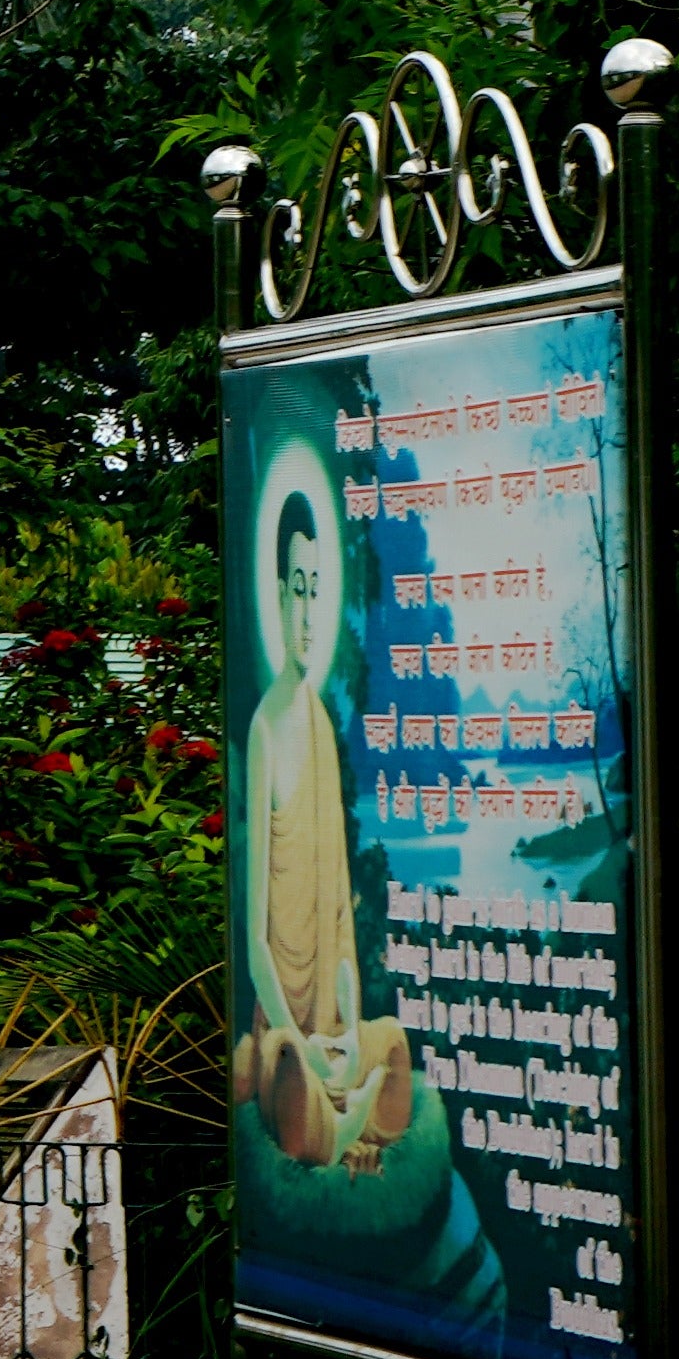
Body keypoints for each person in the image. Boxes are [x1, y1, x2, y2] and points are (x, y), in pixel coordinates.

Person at [227, 480, 416, 1172]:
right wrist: (301, 1040)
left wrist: (345, 1029)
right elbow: (255, 942)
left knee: (389, 1043)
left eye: (317, 590)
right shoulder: (265, 732)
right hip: (283, 1020)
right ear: (277, 595)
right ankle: (342, 1117)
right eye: (297, 591)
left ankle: (348, 1108)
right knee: (287, 1071)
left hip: (330, 1025)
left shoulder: (321, 727)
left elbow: (338, 915)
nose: (307, 613)